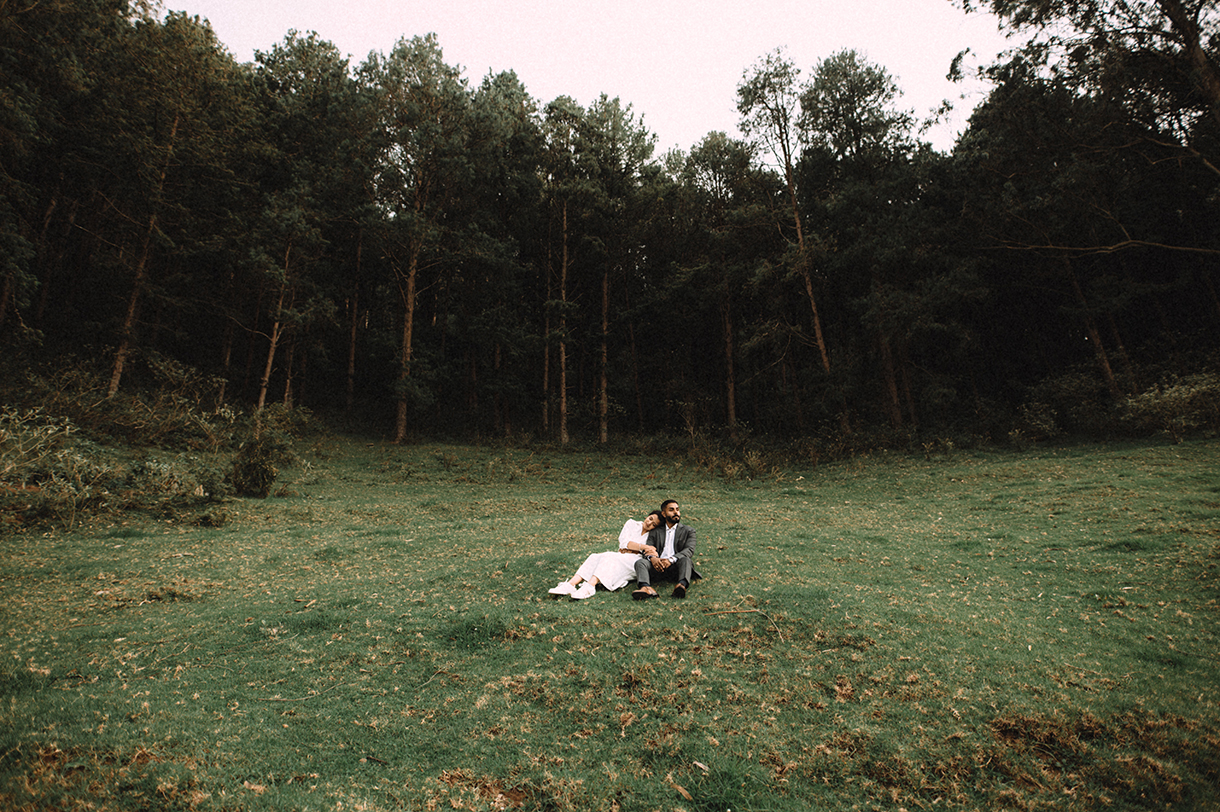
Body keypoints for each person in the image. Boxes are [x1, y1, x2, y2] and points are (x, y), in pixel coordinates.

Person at [548, 510, 663, 600]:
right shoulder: (631, 523)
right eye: (650, 518)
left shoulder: (652, 535)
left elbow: (651, 551)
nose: (649, 523)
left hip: (634, 560)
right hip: (621, 554)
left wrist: (645, 548)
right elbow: (624, 542)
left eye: (653, 524)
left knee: (609, 557)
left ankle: (589, 586)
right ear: (647, 516)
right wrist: (644, 547)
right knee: (594, 556)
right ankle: (570, 584)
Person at [632, 499, 699, 600]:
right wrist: (653, 559)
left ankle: (681, 586)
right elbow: (648, 548)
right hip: (657, 567)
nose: (676, 512)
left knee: (686, 560)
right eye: (671, 510)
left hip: (676, 567)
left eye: (677, 509)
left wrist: (671, 560)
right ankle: (646, 588)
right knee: (640, 562)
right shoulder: (656, 531)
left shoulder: (689, 531)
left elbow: (689, 550)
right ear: (664, 513)